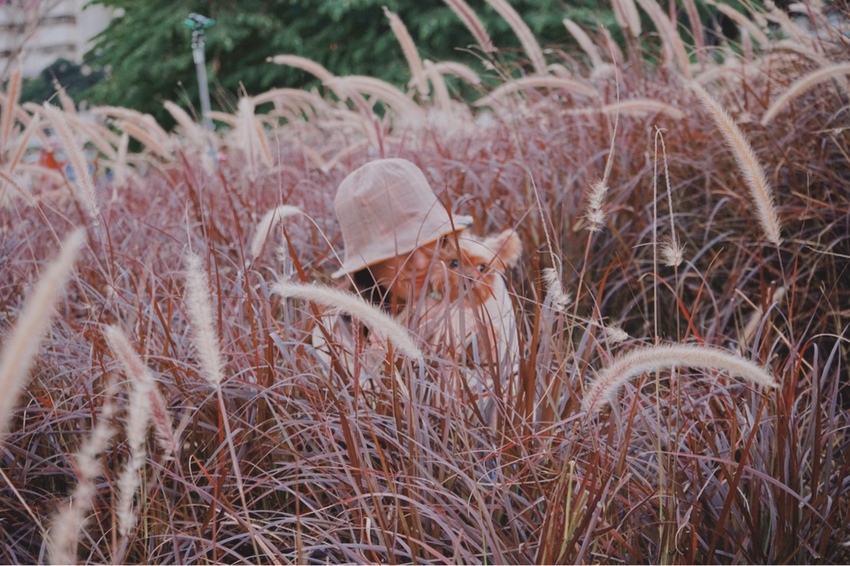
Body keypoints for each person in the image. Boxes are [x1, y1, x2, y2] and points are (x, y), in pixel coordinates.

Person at [311, 158, 519, 422]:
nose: (419, 263)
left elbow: (510, 390)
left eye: (427, 240)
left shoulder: (481, 283)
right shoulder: (337, 328)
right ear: (367, 264)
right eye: (396, 251)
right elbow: (364, 420)